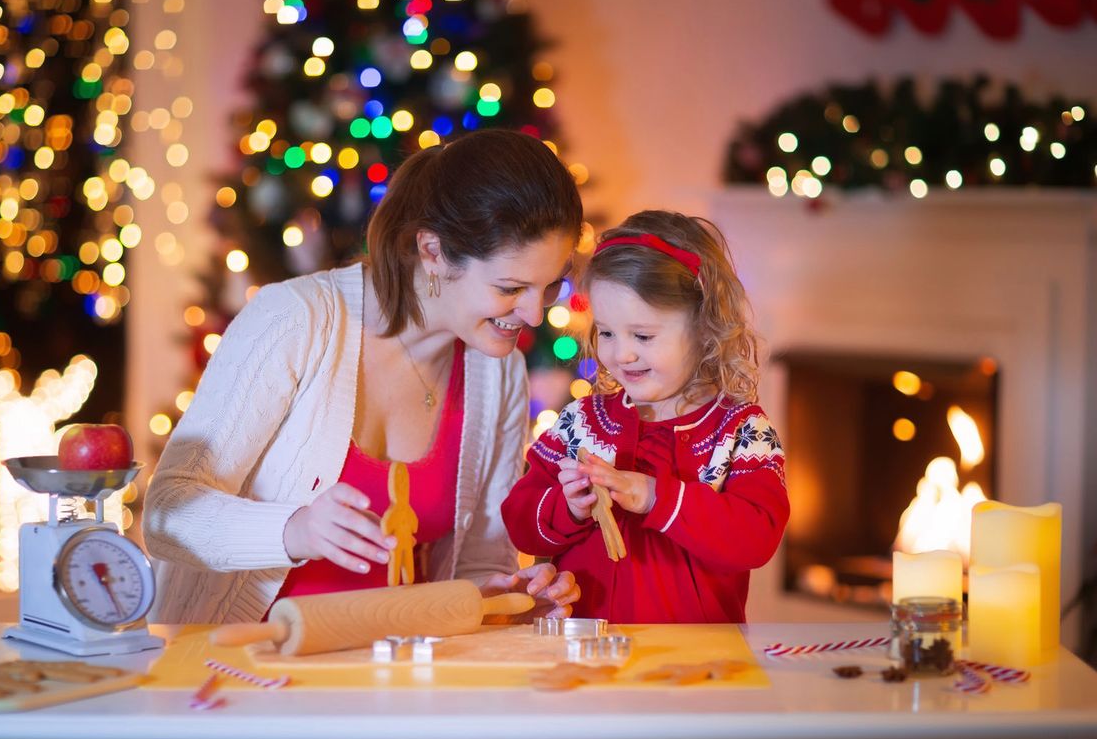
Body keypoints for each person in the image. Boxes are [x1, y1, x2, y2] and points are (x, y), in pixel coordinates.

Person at [143, 129, 582, 624]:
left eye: (549, 287)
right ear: (432, 251)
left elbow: (478, 561)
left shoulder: (498, 372)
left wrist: (511, 599)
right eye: (511, 287)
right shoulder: (295, 319)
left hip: (386, 683)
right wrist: (295, 529)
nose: (534, 314)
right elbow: (166, 512)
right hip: (233, 672)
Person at [501, 210, 789, 624]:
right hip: (586, 654)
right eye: (606, 332)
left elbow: (756, 538)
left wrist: (657, 497)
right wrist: (568, 507)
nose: (622, 353)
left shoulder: (741, 430)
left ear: (704, 328)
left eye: (643, 335)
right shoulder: (580, 422)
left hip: (697, 666)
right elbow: (519, 521)